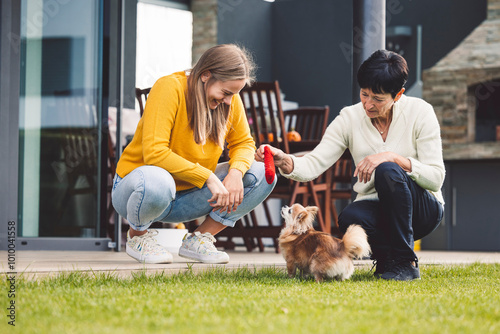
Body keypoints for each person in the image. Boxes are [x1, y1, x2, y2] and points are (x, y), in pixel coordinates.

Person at [256, 50, 445, 281]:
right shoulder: (349, 117)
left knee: (387, 169)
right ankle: (386, 260)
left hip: (422, 209)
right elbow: (315, 162)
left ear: (398, 95)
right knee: (350, 218)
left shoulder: (421, 112)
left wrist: (391, 157)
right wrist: (285, 160)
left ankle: (405, 262)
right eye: (364, 94)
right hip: (379, 210)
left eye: (378, 98)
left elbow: (435, 177)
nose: (368, 104)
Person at [112, 44, 276, 264]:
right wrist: (208, 176)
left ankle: (198, 239)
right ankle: (137, 237)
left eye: (233, 95)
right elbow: (154, 153)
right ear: (205, 75)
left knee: (261, 173)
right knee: (158, 180)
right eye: (226, 93)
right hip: (140, 192)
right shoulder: (169, 88)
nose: (228, 101)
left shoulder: (229, 100)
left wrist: (236, 174)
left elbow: (245, 143)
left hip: (185, 197)